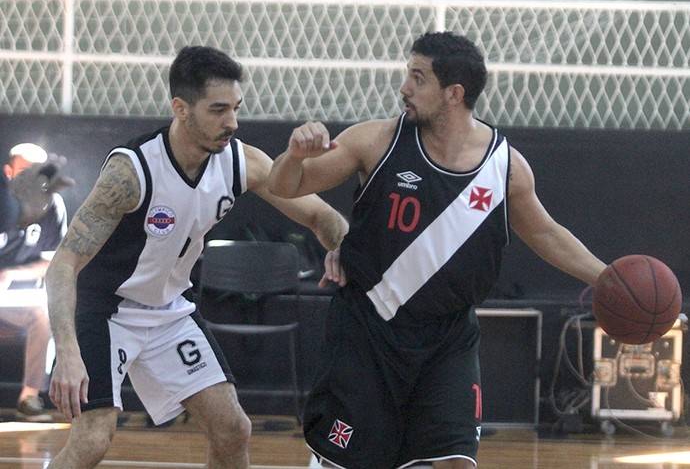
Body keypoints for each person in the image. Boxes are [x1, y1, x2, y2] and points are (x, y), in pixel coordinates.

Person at [268, 31, 607, 469]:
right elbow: (285, 185)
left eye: (418, 78)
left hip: (447, 340)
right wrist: (295, 156)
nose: (404, 87)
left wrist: (607, 279)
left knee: (455, 462)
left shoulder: (504, 166)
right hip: (369, 332)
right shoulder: (376, 140)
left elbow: (545, 233)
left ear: (454, 93)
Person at [45, 45, 348, 469]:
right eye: (218, 110)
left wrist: (343, 249)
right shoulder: (132, 171)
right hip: (105, 312)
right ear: (181, 109)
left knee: (232, 429)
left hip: (169, 311)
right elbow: (63, 264)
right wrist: (67, 350)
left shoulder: (241, 161)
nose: (232, 122)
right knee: (93, 440)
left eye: (236, 108)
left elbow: (320, 215)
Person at [1, 144, 69, 420]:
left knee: (45, 314)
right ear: (9, 172)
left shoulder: (52, 205)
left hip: (19, 299)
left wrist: (11, 274)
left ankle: (29, 397)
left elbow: (52, 262)